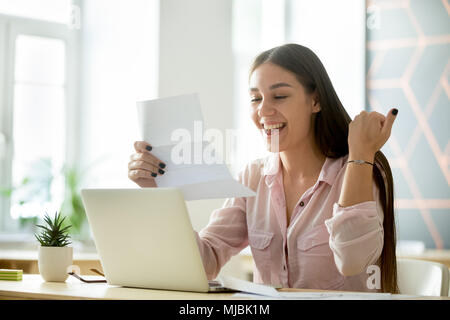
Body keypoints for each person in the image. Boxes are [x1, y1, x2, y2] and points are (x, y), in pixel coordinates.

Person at [128, 43, 399, 293]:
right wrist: (156, 192)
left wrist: (361, 153)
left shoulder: (358, 171)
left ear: (315, 101)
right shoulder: (253, 177)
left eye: (279, 96)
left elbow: (352, 261)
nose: (263, 111)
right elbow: (204, 263)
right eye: (256, 99)